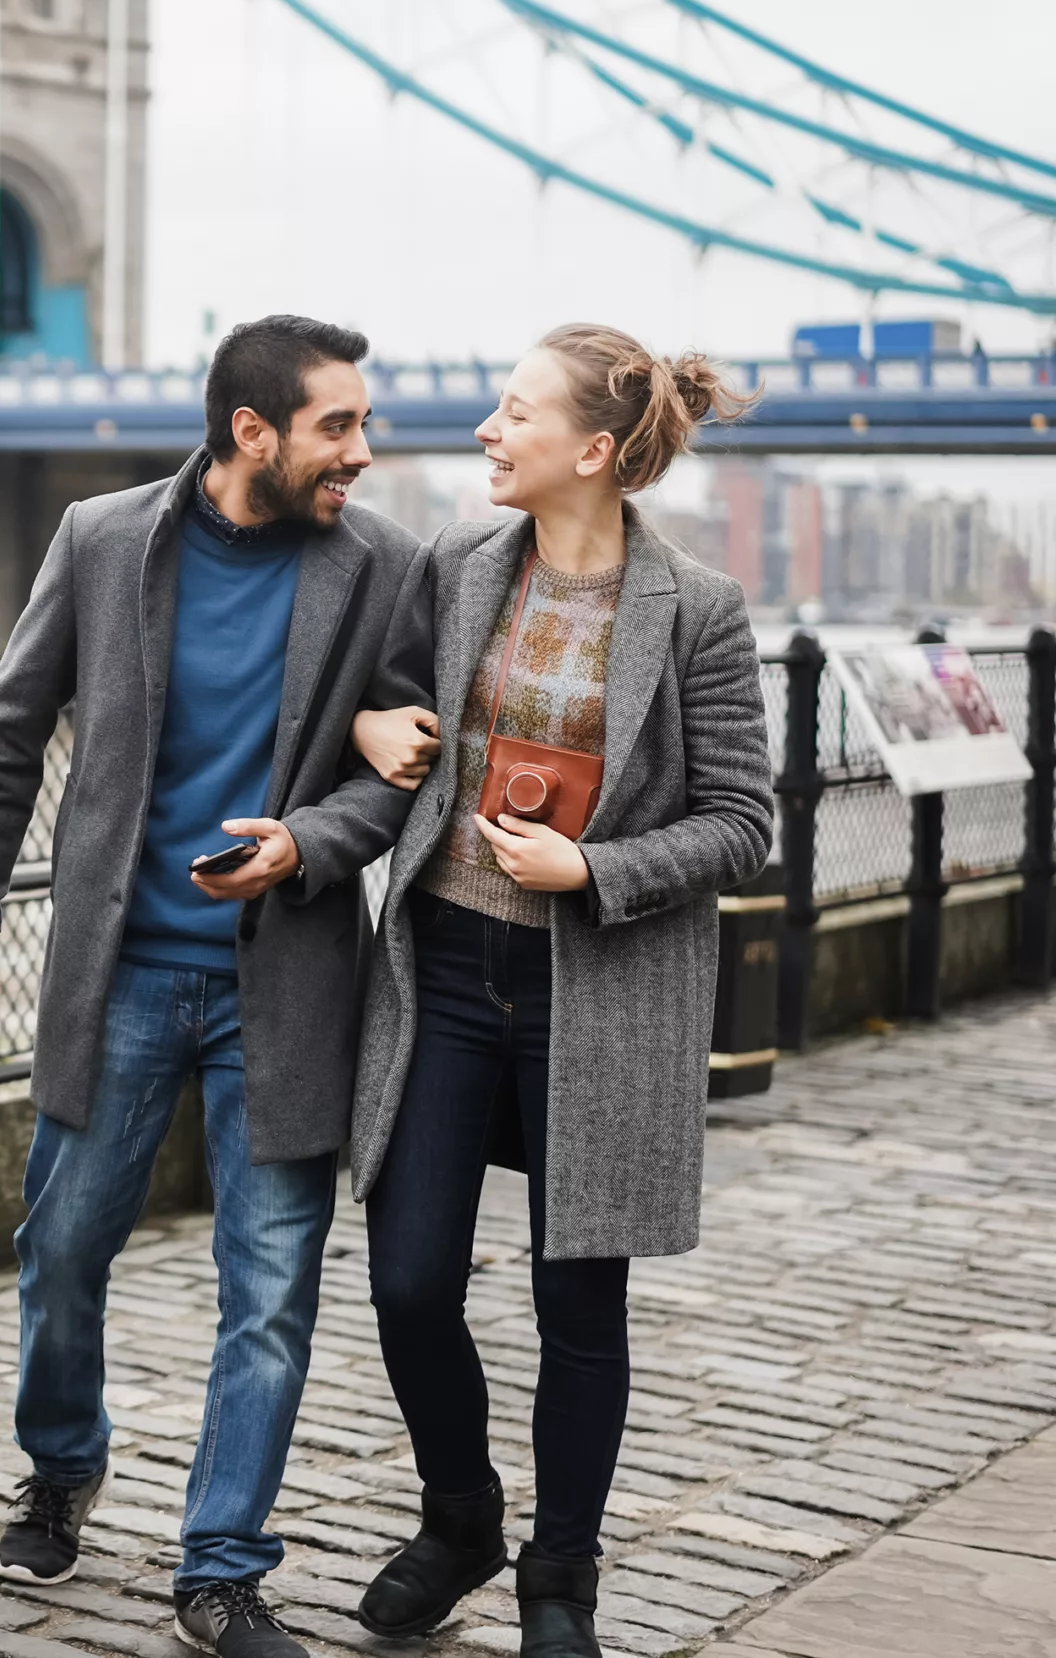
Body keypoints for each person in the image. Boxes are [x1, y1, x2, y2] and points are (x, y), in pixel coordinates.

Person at [0, 316, 433, 1658]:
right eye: (338, 426)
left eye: (364, 425)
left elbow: (397, 776)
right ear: (250, 431)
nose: (364, 452)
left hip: (288, 985)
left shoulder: (385, 566)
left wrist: (306, 842)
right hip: (122, 977)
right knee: (58, 1252)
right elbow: (7, 718)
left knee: (269, 1287)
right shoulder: (106, 540)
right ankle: (62, 1460)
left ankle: (221, 1563)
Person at [344, 326, 772, 1657]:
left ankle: (559, 1582)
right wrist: (373, 721)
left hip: (599, 989)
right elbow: (391, 697)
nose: (486, 427)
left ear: (591, 450)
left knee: (578, 1303)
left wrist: (594, 865)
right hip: (445, 972)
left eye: (512, 410)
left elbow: (744, 820)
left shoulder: (697, 610)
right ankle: (461, 1517)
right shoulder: (454, 568)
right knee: (409, 1280)